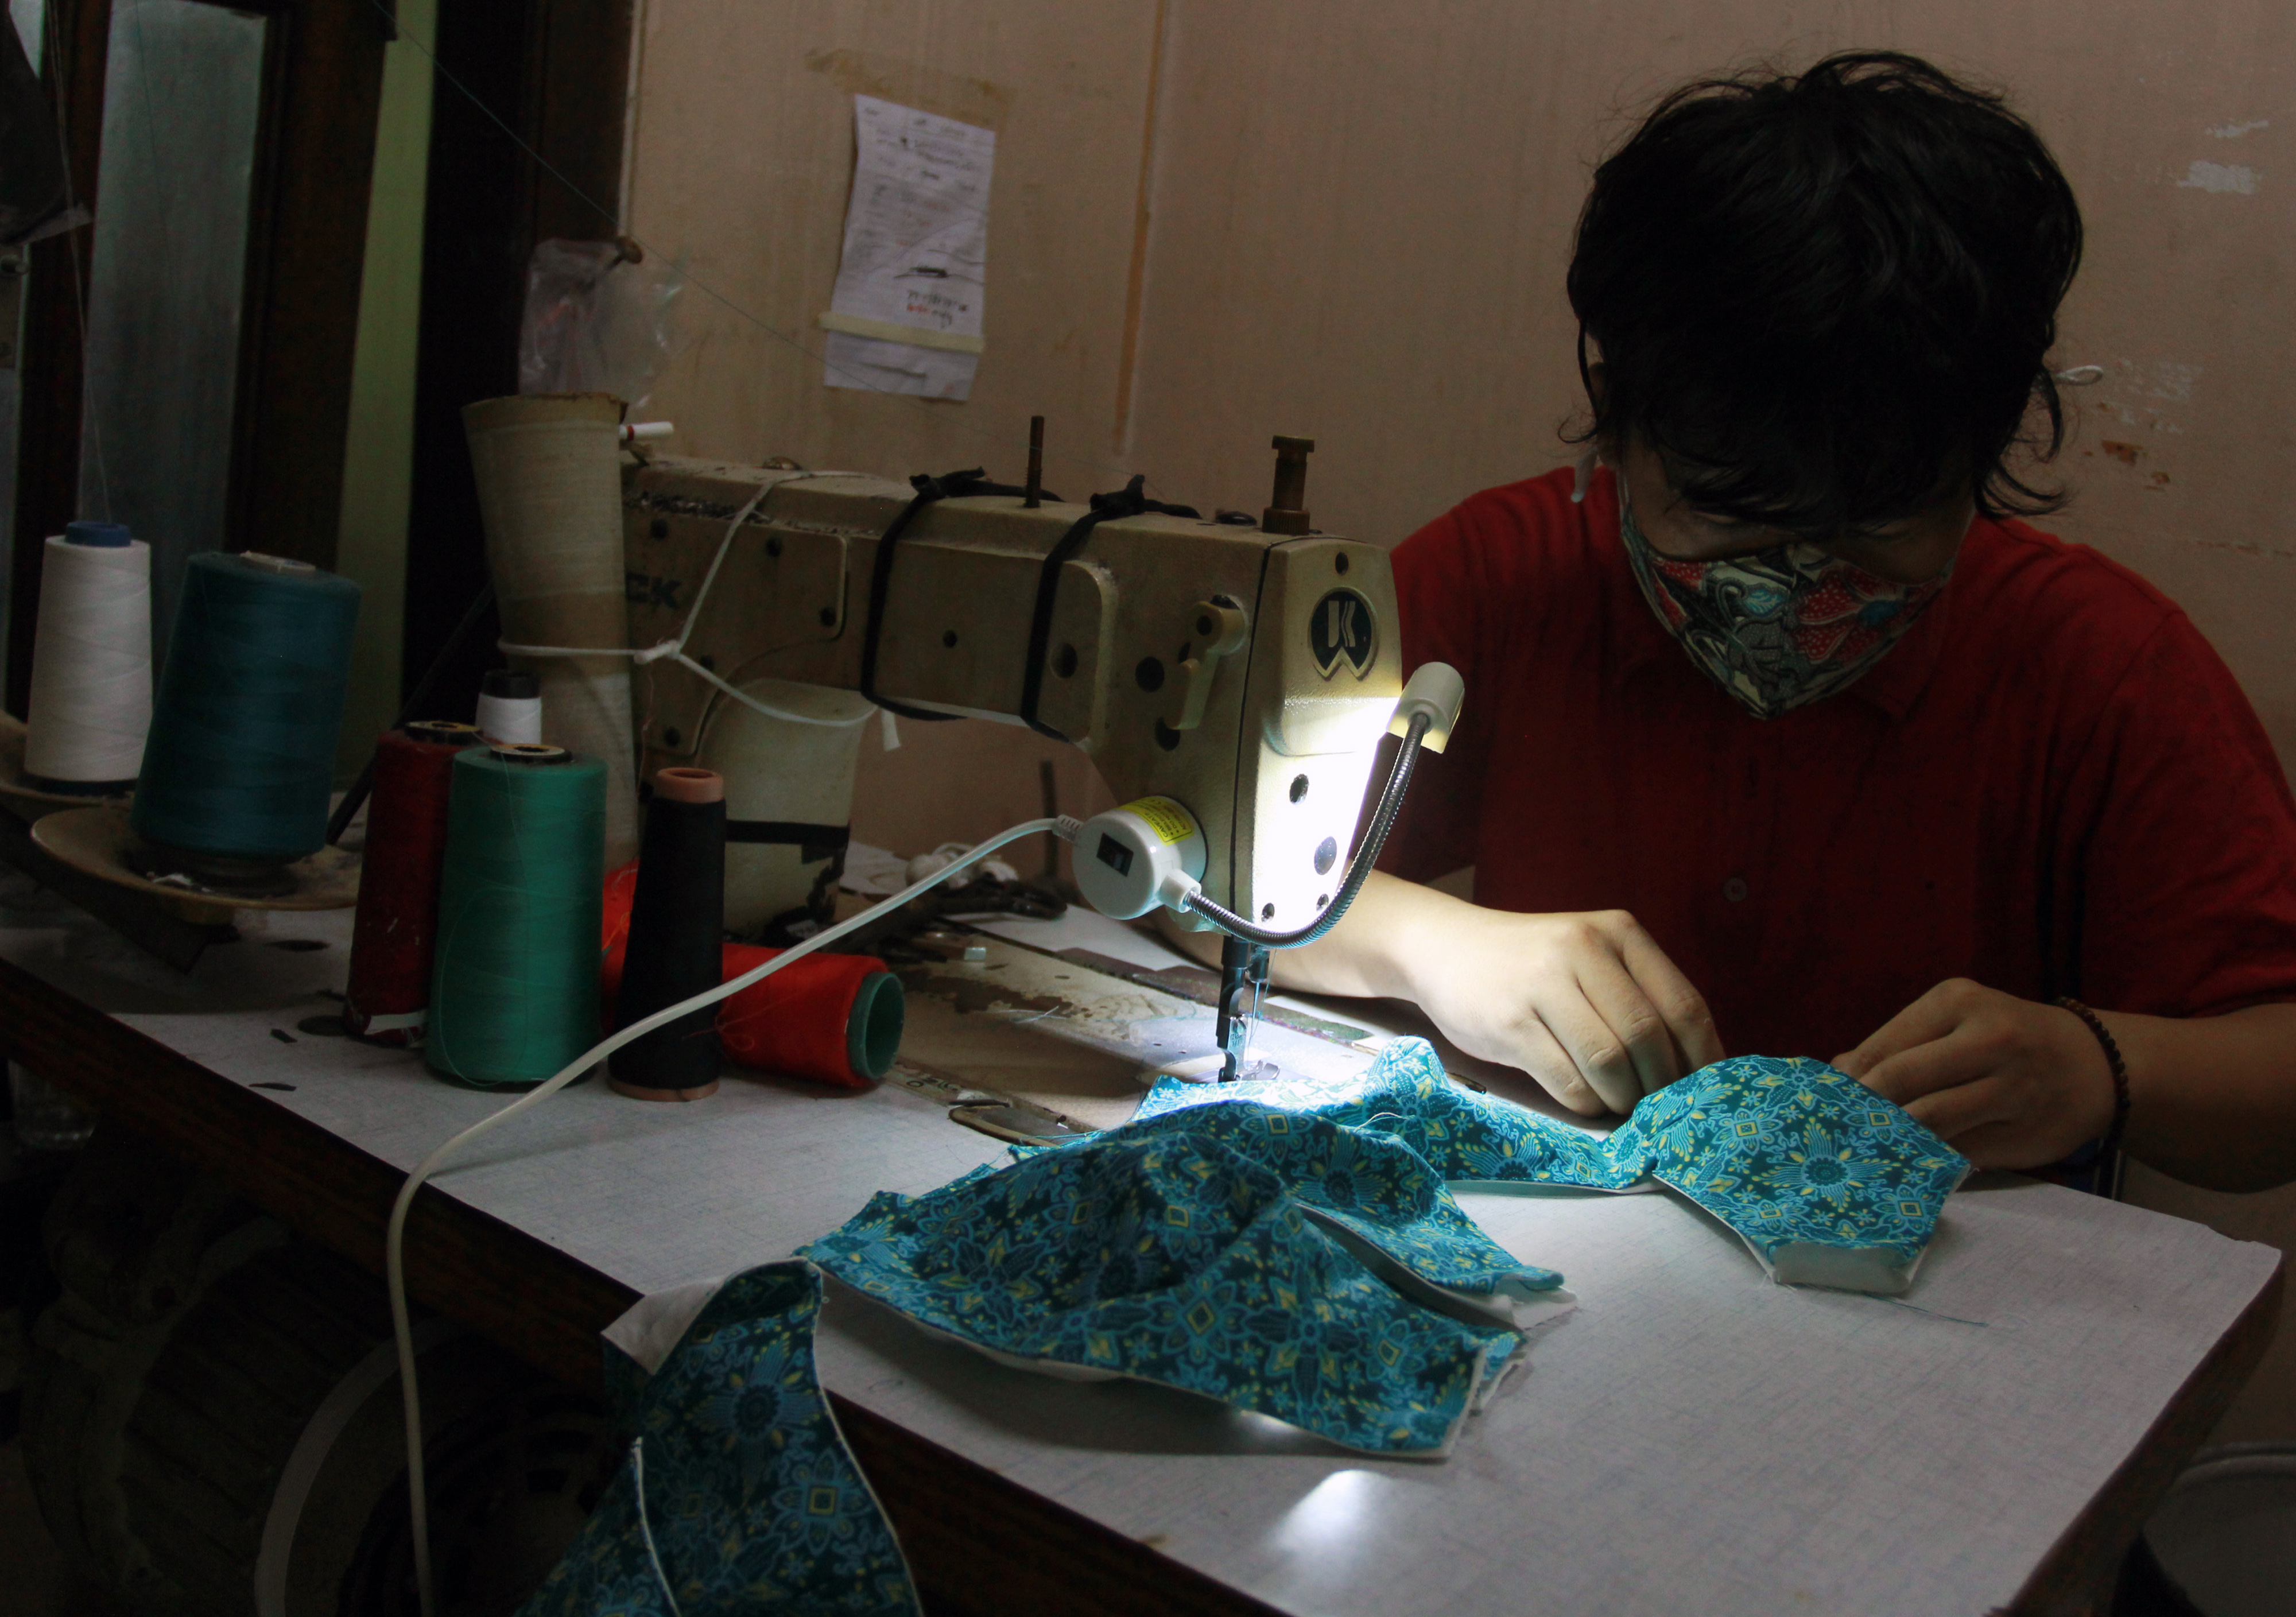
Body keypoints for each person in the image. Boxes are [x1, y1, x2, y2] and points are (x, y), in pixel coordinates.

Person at [1190, 52, 2296, 1194]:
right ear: (1621, 425)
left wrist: (2101, 1066)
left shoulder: (2098, 665)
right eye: (1729, 520)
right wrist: (1425, 944)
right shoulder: (1512, 576)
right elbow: (1181, 868)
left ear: (1983, 452)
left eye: (1874, 528)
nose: (1799, 581)